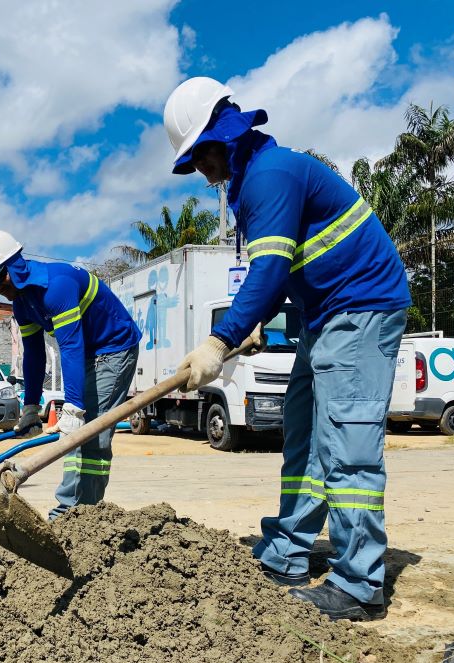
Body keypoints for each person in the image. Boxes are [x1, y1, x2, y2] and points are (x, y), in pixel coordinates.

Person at [162, 77, 411, 621]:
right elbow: (279, 272)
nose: (201, 173)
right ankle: (288, 551)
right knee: (303, 435)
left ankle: (358, 583)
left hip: (362, 309)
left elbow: (271, 268)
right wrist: (256, 322)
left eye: (200, 157)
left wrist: (219, 339)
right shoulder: (254, 181)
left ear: (221, 139)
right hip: (322, 317)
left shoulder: (270, 177)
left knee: (345, 444)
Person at [0, 230, 142, 519]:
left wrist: (73, 408)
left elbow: (70, 345)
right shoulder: (22, 304)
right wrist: (31, 406)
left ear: (15, 266)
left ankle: (77, 515)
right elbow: (34, 354)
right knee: (75, 435)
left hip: (114, 349)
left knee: (90, 433)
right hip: (87, 354)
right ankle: (74, 512)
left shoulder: (56, 287)